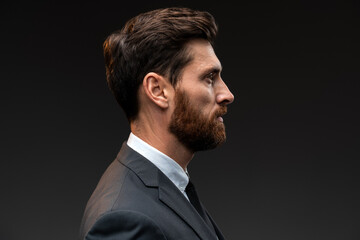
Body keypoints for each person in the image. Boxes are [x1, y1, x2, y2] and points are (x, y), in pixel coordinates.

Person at [79, 7, 234, 240]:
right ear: (158, 90)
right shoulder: (124, 219)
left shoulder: (171, 187)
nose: (227, 94)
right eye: (209, 78)